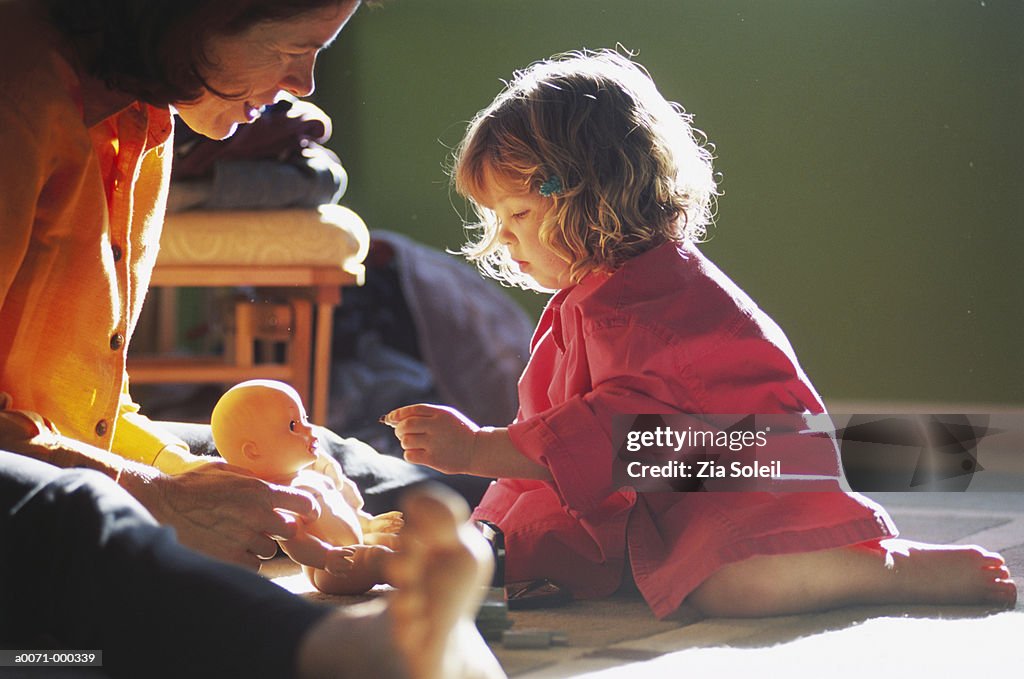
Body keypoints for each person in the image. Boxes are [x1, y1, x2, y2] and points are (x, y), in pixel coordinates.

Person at [386, 49, 1017, 619]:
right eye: (496, 217)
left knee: (729, 586)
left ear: (590, 196)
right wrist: (486, 537)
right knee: (556, 546)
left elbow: (614, 435)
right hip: (672, 474)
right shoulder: (589, 298)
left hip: (753, 472)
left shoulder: (645, 302)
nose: (505, 238)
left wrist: (478, 450)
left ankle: (888, 567)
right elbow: (558, 447)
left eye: (519, 214)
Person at [0, 0, 430, 574]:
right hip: (29, 484)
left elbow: (89, 412)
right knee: (258, 624)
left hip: (65, 456)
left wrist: (184, 476)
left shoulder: (144, 119)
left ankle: (523, 508)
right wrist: (159, 496)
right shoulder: (18, 99)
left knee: (326, 457)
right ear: (195, 16)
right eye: (292, 51)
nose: (302, 85)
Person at [212, 380, 403, 594]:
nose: (310, 428)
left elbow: (344, 511)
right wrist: (326, 556)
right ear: (253, 452)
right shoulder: (279, 499)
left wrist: (368, 523)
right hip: (331, 569)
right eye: (294, 425)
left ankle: (429, 560)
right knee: (376, 557)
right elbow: (297, 541)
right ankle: (417, 576)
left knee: (392, 542)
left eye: (305, 419)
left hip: (354, 544)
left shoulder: (312, 476)